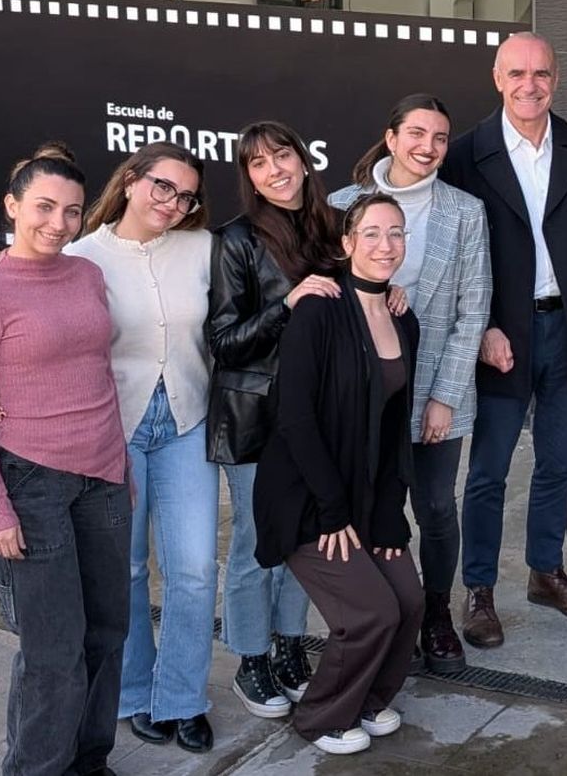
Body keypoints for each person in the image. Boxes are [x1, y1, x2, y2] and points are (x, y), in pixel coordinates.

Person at [440, 32, 567, 648]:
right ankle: (480, 590)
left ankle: (546, 572)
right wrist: (483, 324)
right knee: (488, 470)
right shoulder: (466, 154)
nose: (529, 85)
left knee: (558, 462)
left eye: (541, 73)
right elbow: (460, 253)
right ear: (497, 78)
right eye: (517, 73)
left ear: (557, 77)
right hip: (502, 334)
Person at [0, 149, 131, 776]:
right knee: (52, 650)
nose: (58, 222)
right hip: (30, 484)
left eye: (71, 210)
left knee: (107, 633)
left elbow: (98, 374)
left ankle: (89, 761)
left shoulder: (85, 275)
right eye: (43, 207)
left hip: (103, 479)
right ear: (11, 207)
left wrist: (121, 467)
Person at [254, 194, 425, 755]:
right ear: (347, 243)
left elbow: (396, 425)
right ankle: (322, 716)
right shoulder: (320, 310)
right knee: (370, 613)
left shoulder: (404, 317)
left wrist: (389, 517)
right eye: (371, 233)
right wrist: (331, 508)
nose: (385, 245)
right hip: (309, 497)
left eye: (396, 234)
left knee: (410, 601)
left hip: (368, 496)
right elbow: (295, 419)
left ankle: (369, 701)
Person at [65, 143, 219, 753]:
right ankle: (133, 694)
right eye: (163, 187)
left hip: (187, 420)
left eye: (185, 197)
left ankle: (182, 699)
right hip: (114, 432)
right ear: (130, 181)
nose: (173, 204)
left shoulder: (203, 249)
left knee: (193, 568)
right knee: (123, 570)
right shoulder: (81, 257)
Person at [332, 95, 491, 673]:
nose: (428, 147)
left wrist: (446, 396)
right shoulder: (342, 205)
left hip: (436, 395)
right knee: (371, 503)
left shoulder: (465, 211)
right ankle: (376, 615)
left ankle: (438, 615)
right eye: (417, 134)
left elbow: (473, 311)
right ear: (391, 137)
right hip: (366, 392)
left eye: (441, 138)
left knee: (434, 507)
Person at [208, 121, 344, 718]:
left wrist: (386, 294)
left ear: (303, 158)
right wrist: (286, 305)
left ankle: (290, 647)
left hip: (315, 412)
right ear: (250, 178)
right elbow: (225, 342)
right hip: (254, 415)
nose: (274, 170)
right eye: (258, 164)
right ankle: (251, 659)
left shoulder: (331, 226)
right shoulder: (235, 239)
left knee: (304, 537)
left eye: (281, 156)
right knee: (255, 543)